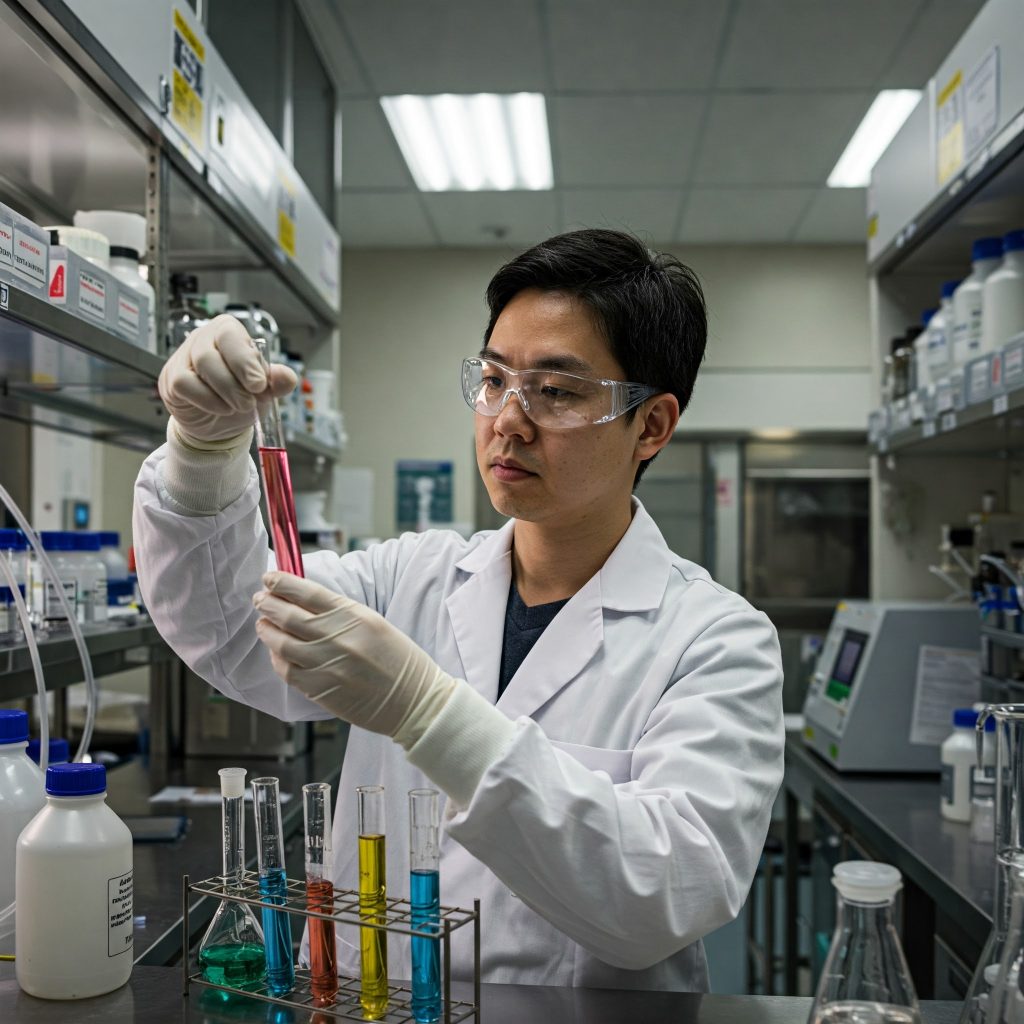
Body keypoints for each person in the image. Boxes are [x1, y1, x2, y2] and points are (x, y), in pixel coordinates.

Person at [133, 228, 784, 991]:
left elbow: (663, 897)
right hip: (366, 1005)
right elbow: (234, 633)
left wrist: (426, 710)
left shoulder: (715, 641)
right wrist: (203, 452)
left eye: (558, 392)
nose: (509, 419)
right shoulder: (413, 575)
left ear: (652, 425)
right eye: (494, 379)